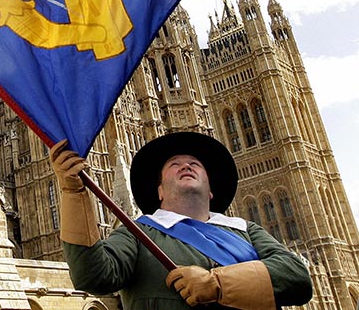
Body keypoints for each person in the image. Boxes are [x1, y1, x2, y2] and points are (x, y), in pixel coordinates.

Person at [51, 131, 312, 309]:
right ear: (160, 191)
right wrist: (73, 193)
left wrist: (217, 284)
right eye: (174, 165)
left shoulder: (245, 230)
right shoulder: (138, 232)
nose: (186, 166)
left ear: (210, 189)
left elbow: (297, 278)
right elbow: (92, 276)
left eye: (194, 164)